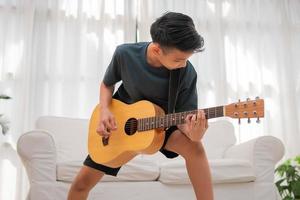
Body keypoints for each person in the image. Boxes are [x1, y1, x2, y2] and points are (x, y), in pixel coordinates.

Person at [68, 12, 213, 200]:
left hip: (164, 124)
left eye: (187, 59)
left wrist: (195, 133)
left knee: (196, 148)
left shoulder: (186, 73)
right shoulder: (125, 54)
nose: (184, 64)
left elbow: (185, 120)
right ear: (156, 50)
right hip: (122, 126)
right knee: (80, 185)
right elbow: (107, 84)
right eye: (178, 60)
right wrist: (105, 111)